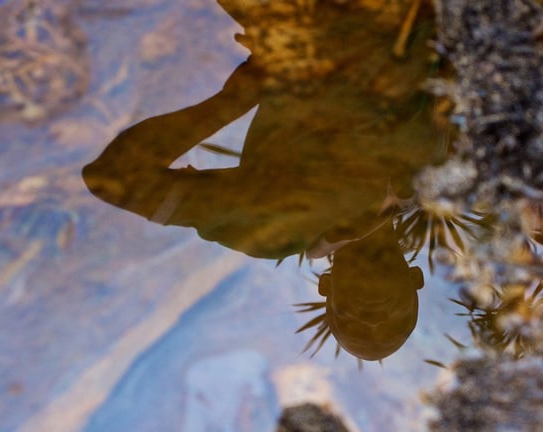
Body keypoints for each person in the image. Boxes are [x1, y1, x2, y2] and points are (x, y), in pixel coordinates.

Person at [83, 0, 441, 359]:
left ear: (326, 287)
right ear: (416, 281)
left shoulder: (276, 228)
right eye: (393, 322)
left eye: (353, 322)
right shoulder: (445, 178)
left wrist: (246, 90)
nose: (373, 318)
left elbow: (117, 179)